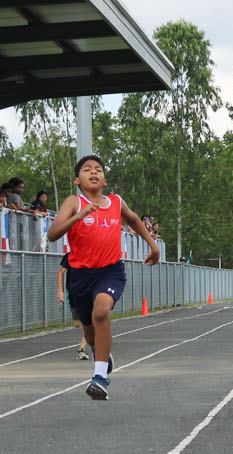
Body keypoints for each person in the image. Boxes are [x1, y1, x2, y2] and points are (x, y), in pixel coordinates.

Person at [46, 154, 160, 400]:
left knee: (101, 311)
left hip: (110, 270)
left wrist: (153, 246)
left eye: (98, 169)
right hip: (79, 275)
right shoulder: (74, 202)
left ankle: (100, 378)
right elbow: (52, 234)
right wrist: (77, 216)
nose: (93, 172)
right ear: (78, 180)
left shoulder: (116, 202)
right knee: (88, 333)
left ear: (105, 180)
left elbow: (133, 220)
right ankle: (102, 353)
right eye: (87, 170)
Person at [56, 253, 91, 359]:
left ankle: (82, 349)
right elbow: (60, 273)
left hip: (87, 292)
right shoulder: (70, 256)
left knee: (88, 322)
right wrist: (60, 291)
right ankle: (92, 333)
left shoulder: (92, 254)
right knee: (77, 324)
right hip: (73, 293)